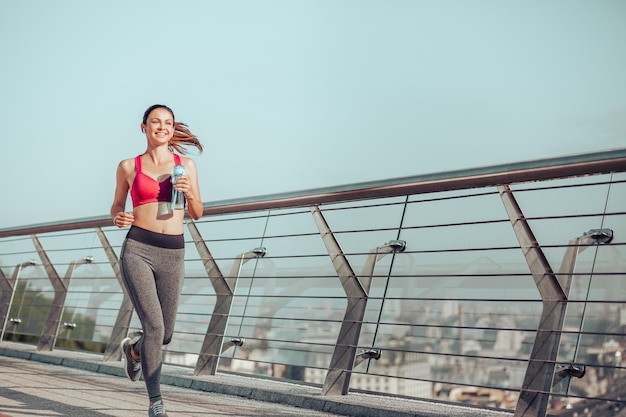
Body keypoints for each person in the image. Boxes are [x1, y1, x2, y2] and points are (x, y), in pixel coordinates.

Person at [110, 104, 203, 417]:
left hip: (173, 252)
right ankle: (156, 402)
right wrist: (119, 217)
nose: (161, 127)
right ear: (144, 127)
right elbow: (115, 207)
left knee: (163, 334)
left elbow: (199, 212)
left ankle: (133, 350)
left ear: (172, 129)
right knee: (153, 325)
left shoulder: (186, 165)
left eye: (167, 123)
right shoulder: (128, 166)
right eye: (155, 122)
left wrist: (190, 194)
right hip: (138, 247)